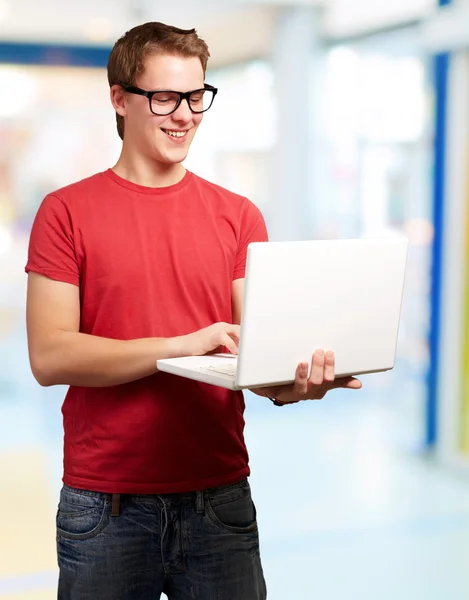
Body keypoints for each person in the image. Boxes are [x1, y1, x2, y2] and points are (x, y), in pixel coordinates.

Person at [25, 21, 362, 600]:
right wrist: (178, 345)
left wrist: (294, 383)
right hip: (105, 505)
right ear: (119, 100)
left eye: (196, 97)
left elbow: (253, 355)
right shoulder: (65, 212)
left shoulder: (238, 216)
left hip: (219, 502)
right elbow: (50, 355)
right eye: (164, 97)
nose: (184, 115)